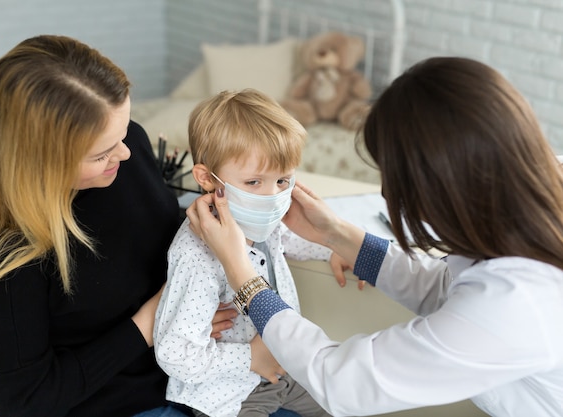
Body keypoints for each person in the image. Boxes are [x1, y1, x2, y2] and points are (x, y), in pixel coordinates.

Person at [185, 57, 563, 416]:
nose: (387, 195)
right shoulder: (530, 213)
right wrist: (337, 235)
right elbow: (448, 289)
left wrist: (243, 277)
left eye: (394, 180)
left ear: (443, 185)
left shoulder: (518, 302)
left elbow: (342, 381)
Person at [0, 35, 238, 417]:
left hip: (202, 379)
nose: (126, 152)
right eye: (101, 153)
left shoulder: (127, 150)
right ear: (40, 160)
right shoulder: (7, 258)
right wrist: (155, 320)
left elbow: (152, 236)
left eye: (124, 129)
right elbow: (25, 401)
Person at [153, 89, 344, 417]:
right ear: (206, 179)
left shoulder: (260, 221)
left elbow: (287, 239)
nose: (272, 196)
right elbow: (176, 353)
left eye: (282, 180)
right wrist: (251, 358)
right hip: (229, 389)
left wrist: (334, 249)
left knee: (344, 402)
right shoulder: (195, 255)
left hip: (285, 369)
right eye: (254, 182)